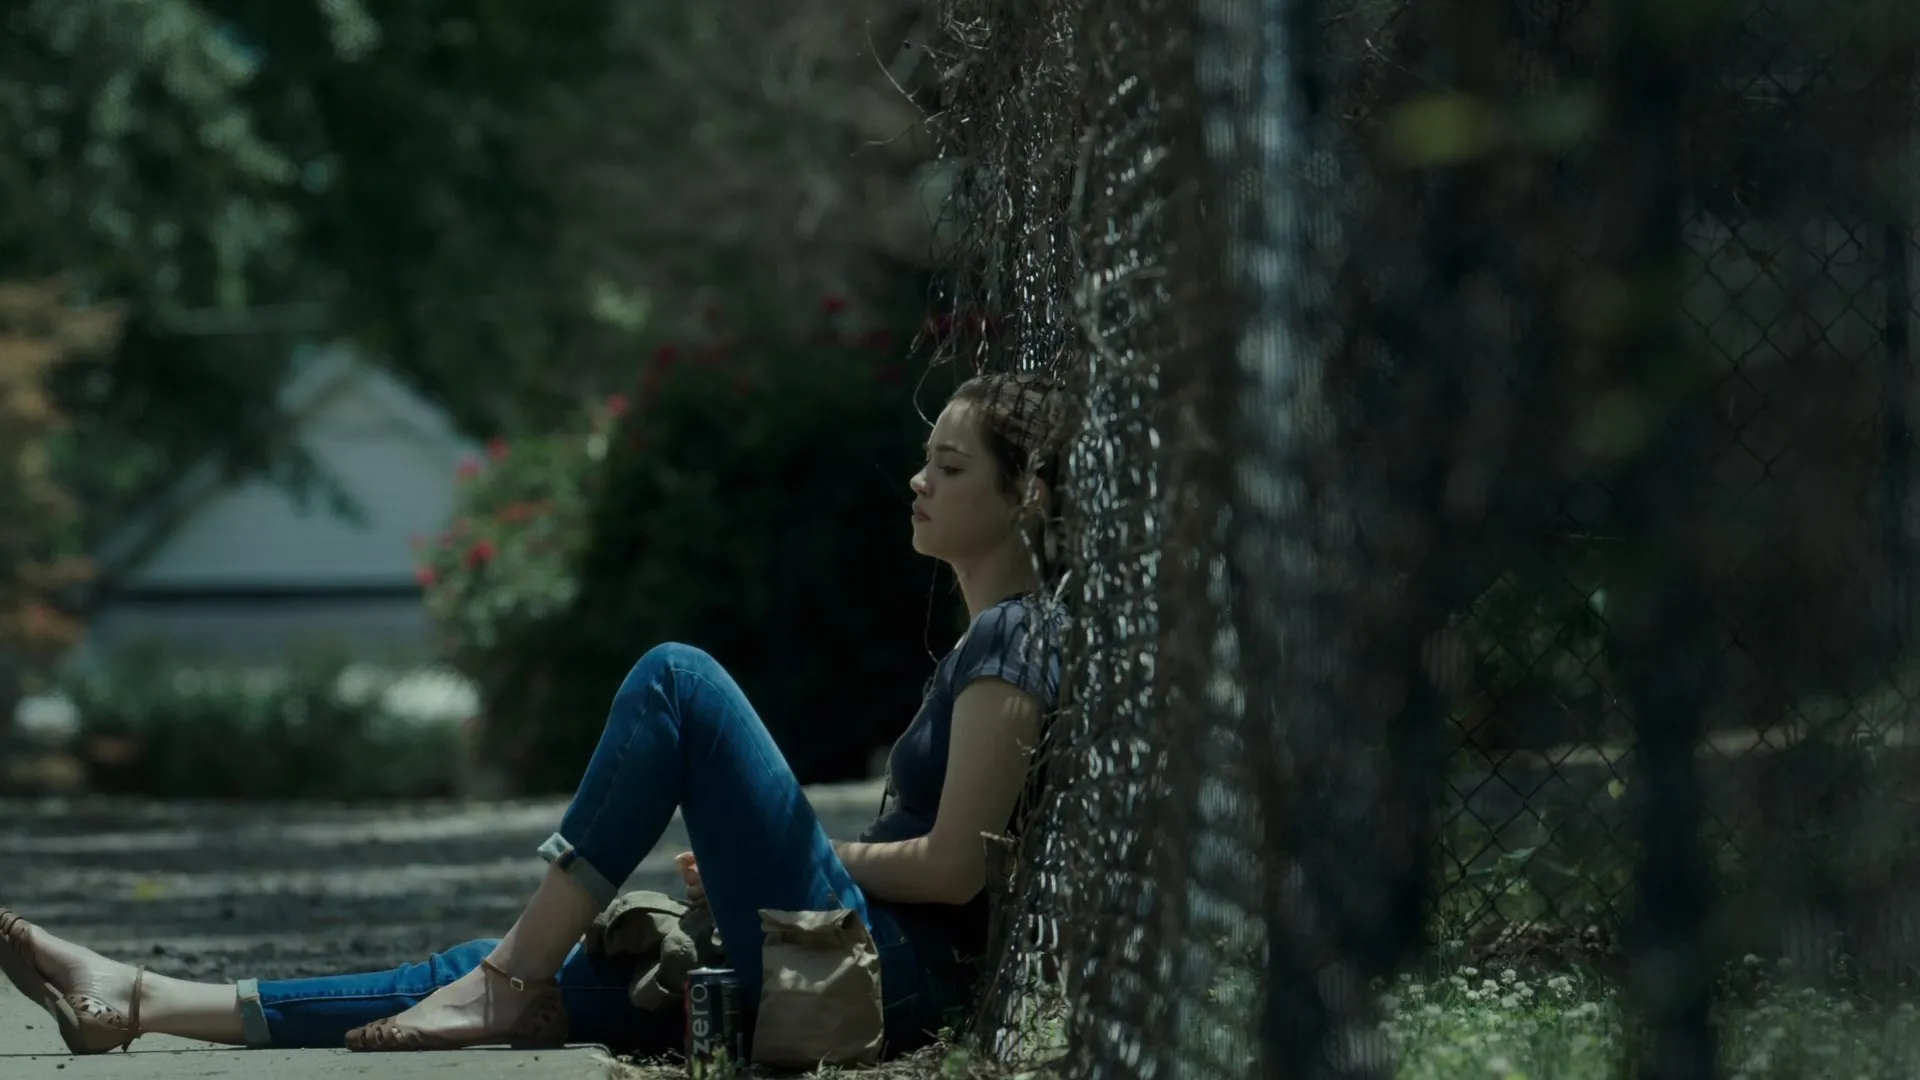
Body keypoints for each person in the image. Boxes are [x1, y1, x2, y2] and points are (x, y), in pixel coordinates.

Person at [0, 371, 1067, 1058]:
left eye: (949, 466)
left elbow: (955, 870)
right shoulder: (987, 639)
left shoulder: (1016, 635)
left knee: (679, 678)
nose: (917, 481)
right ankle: (139, 997)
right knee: (477, 968)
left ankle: (505, 982)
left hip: (889, 977)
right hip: (848, 960)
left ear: (1021, 496)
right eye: (926, 460)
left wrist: (799, 851)